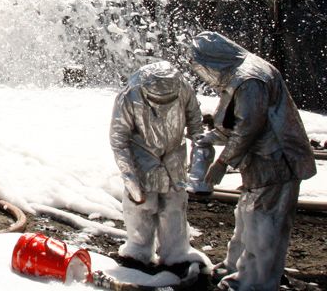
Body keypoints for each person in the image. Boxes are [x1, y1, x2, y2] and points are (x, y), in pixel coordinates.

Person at [190, 31, 317, 291]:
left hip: (275, 162)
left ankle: (253, 282)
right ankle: (235, 269)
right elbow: (235, 120)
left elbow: (249, 126)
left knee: (264, 225)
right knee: (248, 217)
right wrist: (211, 137)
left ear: (214, 59)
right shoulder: (241, 74)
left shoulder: (250, 80)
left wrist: (223, 162)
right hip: (261, 162)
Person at [109, 60, 206, 269]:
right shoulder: (130, 95)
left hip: (174, 157)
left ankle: (176, 254)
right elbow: (119, 139)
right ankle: (138, 251)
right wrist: (130, 178)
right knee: (140, 206)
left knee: (174, 205)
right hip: (142, 158)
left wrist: (199, 169)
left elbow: (197, 129)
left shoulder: (183, 88)